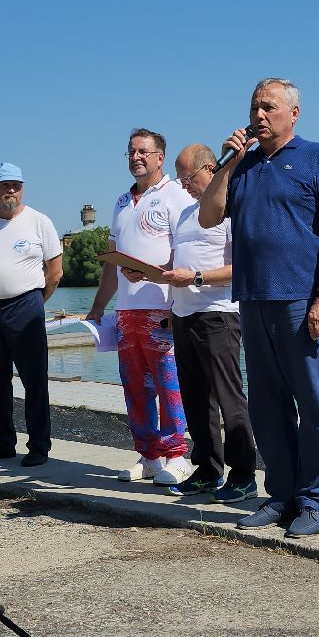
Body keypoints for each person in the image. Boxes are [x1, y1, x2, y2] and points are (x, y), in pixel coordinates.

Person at [197, 78, 319, 538]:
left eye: (269, 107)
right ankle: (281, 495)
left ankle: (316, 500)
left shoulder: (317, 157)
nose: (259, 115)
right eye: (254, 107)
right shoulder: (241, 166)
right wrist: (226, 164)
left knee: (315, 405)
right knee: (267, 407)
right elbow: (208, 215)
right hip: (253, 300)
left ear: (293, 113)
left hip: (302, 303)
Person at [146, 142, 257, 500]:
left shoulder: (229, 211)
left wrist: (194, 278)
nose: (183, 185)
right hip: (182, 315)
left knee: (229, 397)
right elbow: (177, 264)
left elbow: (242, 268)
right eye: (179, 179)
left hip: (218, 315)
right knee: (195, 399)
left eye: (187, 177)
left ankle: (243, 475)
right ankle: (207, 469)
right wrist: (150, 275)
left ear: (210, 169)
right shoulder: (184, 214)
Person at [85, 129, 196, 484]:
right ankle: (149, 455)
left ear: (160, 157)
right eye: (131, 151)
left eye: (144, 152)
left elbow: (186, 250)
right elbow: (111, 264)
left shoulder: (175, 195)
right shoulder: (120, 202)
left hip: (162, 308)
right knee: (135, 386)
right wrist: (99, 306)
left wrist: (179, 306)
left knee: (169, 383)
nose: (136, 157)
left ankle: (178, 454)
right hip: (127, 311)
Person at [0, 163, 64, 467]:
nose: (12, 190)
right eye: (5, 185)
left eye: (17, 185)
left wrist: (36, 300)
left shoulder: (39, 222)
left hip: (27, 307)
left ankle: (38, 445)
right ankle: (2, 442)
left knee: (34, 379)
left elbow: (55, 271)